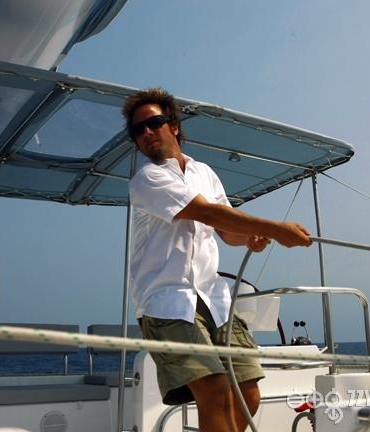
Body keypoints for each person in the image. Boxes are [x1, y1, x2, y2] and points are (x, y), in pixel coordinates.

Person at [123, 88, 312, 432]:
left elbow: (226, 230)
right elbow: (205, 212)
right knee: (214, 392)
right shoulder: (147, 179)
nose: (146, 132)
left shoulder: (205, 173)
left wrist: (250, 238)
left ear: (174, 126)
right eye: (138, 129)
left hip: (216, 300)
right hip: (168, 303)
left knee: (248, 393)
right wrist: (275, 229)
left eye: (154, 123)